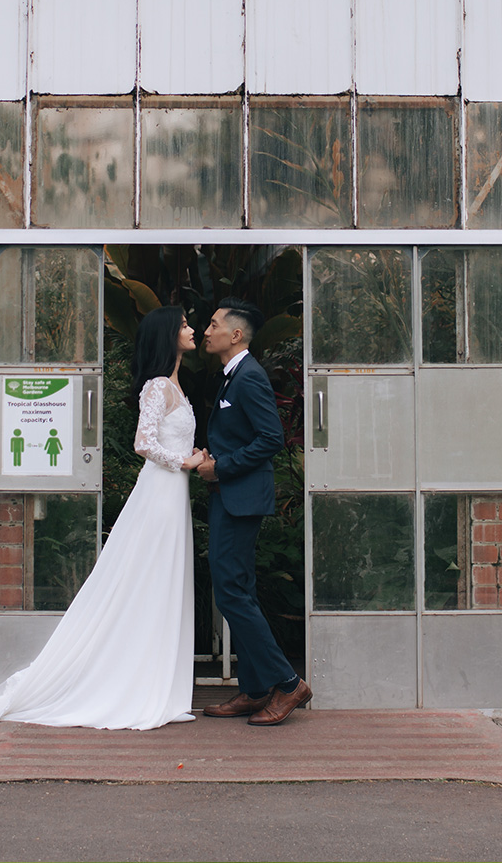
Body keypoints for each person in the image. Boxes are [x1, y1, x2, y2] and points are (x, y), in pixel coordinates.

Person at [0, 305, 202, 743]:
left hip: (174, 495)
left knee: (165, 581)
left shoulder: (176, 384)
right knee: (148, 581)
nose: (191, 330)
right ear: (168, 334)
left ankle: (163, 688)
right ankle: (137, 686)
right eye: (185, 325)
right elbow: (142, 442)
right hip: (159, 494)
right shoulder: (157, 386)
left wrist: (192, 459)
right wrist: (184, 460)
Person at [196, 297, 311, 726]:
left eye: (213, 324)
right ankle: (257, 688)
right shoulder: (232, 376)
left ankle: (287, 683)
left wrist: (220, 468)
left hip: (240, 496)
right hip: (233, 495)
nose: (207, 331)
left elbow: (270, 439)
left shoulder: (248, 377)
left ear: (235, 334)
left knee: (231, 592)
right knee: (236, 590)